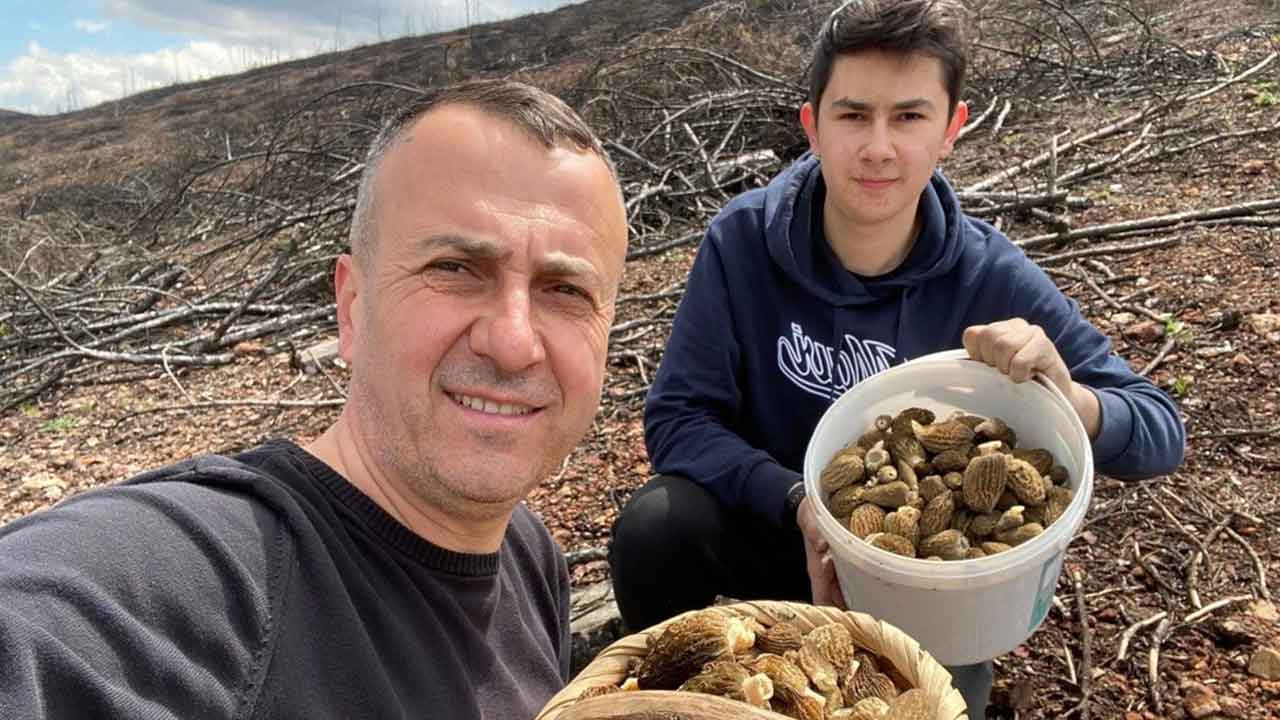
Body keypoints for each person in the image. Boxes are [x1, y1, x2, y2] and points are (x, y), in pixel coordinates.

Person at [607, 1, 1185, 717]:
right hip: (777, 528)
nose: (878, 147)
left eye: (909, 118)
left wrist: (1073, 393)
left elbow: (1161, 429)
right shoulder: (743, 243)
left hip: (920, 570)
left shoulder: (988, 276)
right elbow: (676, 418)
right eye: (853, 116)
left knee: (945, 701)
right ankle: (664, 695)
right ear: (812, 125)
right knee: (657, 527)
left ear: (952, 129)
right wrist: (800, 503)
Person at [0, 79, 628, 719]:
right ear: (352, 307)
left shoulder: (526, 557)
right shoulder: (206, 578)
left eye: (565, 290)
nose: (514, 341)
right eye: (455, 269)